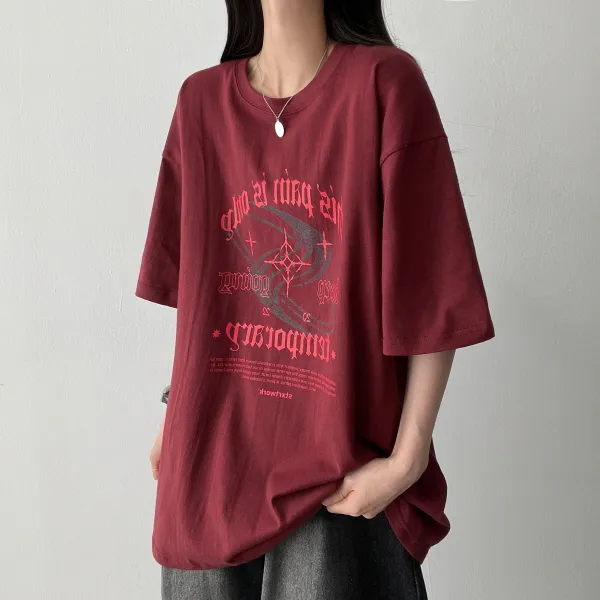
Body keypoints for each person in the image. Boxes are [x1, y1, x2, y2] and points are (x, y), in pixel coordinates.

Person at [136, 0, 495, 598]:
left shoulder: (384, 84)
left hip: (338, 476)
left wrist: (406, 462)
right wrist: (177, 416)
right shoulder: (200, 102)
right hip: (210, 470)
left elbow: (433, 291)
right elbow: (204, 294)